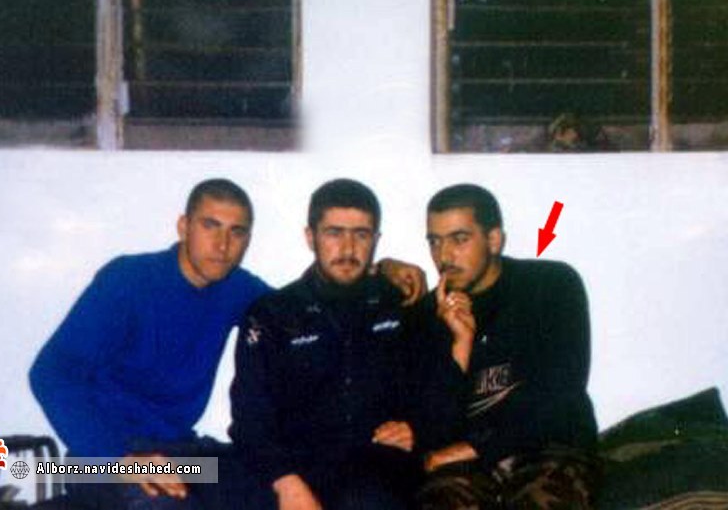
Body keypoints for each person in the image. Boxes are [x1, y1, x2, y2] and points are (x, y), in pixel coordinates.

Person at [29, 178, 425, 510]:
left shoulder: (237, 288)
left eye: (237, 232)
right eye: (210, 226)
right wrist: (119, 458)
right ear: (183, 226)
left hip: (184, 456)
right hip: (102, 458)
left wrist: (380, 269)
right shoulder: (127, 280)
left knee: (276, 488)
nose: (222, 244)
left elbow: (305, 308)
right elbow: (50, 373)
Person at [229, 179, 420, 510]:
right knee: (196, 474)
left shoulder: (400, 303)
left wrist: (419, 428)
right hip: (286, 467)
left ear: (376, 240)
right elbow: (249, 416)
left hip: (376, 471)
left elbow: (436, 389)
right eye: (334, 233)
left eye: (361, 235)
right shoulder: (273, 313)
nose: (348, 248)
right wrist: (286, 482)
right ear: (310, 237)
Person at [409, 184, 600, 509]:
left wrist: (478, 447)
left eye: (459, 239)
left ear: (494, 240)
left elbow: (560, 396)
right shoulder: (425, 316)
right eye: (434, 241)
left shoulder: (550, 285)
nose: (444, 256)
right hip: (464, 467)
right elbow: (434, 426)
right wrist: (460, 346)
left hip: (548, 449)